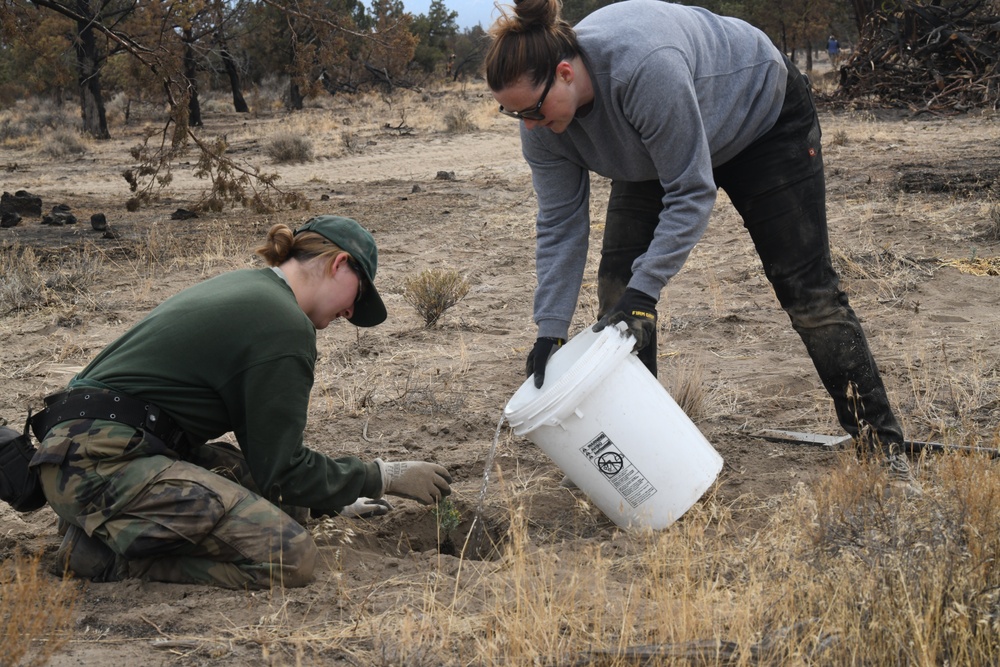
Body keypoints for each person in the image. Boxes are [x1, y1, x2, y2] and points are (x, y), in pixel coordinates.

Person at [485, 0, 908, 470]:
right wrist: (551, 331)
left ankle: (883, 449)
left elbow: (690, 191)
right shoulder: (540, 124)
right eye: (513, 114)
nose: (528, 124)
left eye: (534, 110)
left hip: (760, 118)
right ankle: (647, 457)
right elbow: (560, 223)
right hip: (657, 144)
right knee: (619, 299)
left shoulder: (643, 70)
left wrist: (647, 291)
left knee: (809, 295)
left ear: (565, 73)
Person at [29, 215, 453, 589]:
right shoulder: (284, 327)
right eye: (357, 297)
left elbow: (268, 467)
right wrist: (383, 476)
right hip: (102, 467)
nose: (349, 314)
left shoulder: (252, 288)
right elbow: (283, 471)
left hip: (81, 451)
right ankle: (105, 558)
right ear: (339, 263)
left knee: (269, 493)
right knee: (290, 556)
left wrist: (334, 499)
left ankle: (104, 524)